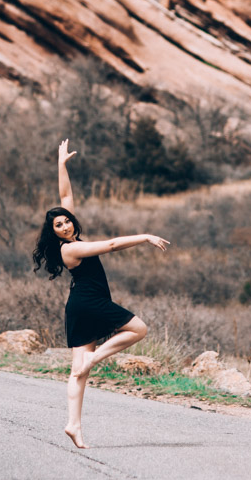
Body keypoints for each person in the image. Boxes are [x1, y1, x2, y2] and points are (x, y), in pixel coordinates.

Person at [32, 138, 170, 449]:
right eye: (59, 224)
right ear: (52, 231)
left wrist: (61, 165)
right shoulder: (71, 248)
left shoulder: (69, 234)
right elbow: (109, 246)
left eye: (67, 221)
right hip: (90, 303)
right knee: (139, 328)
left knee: (77, 372)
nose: (65, 225)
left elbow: (66, 195)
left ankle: (73, 425)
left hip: (79, 306)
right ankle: (94, 358)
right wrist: (145, 236)